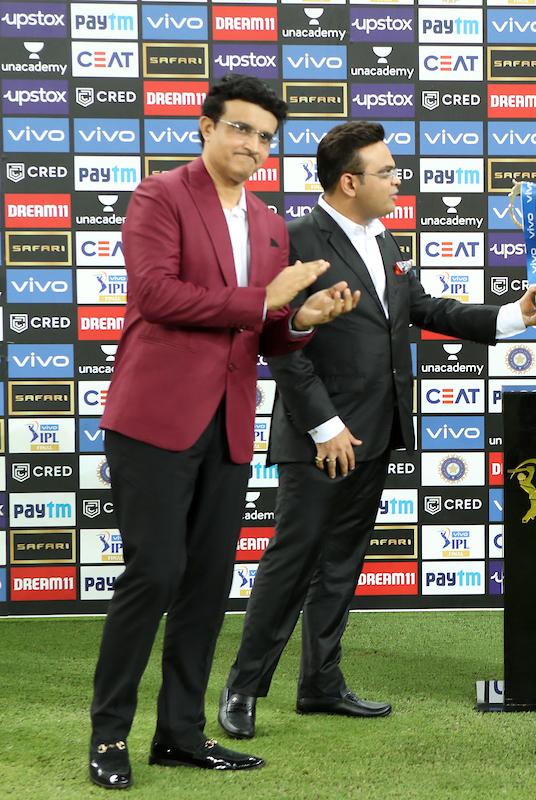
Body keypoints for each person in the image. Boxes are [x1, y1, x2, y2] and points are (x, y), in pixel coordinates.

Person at [217, 121, 536, 739]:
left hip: (375, 431)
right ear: (350, 182)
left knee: (340, 567)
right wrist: (324, 426)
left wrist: (515, 313)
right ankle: (242, 687)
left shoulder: (383, 240)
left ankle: (320, 684)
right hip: (319, 440)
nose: (399, 181)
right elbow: (283, 348)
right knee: (291, 566)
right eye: (388, 172)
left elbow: (426, 310)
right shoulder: (293, 240)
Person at [87, 73, 359, 790]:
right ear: (205, 128)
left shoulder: (270, 224)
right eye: (240, 128)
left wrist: (302, 318)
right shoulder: (160, 196)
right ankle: (109, 737)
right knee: (155, 574)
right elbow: (155, 293)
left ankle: (180, 732)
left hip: (229, 426)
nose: (252, 145)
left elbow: (267, 335)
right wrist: (262, 298)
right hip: (153, 419)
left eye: (265, 137)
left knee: (207, 584)